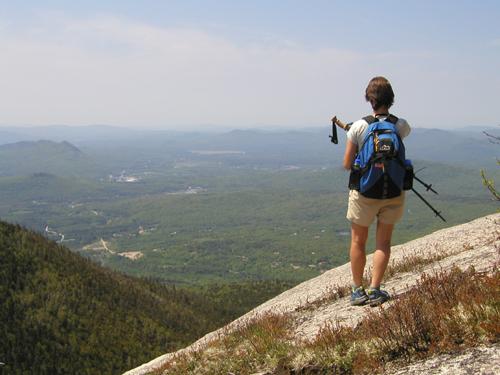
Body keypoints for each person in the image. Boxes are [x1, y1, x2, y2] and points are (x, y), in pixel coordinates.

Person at [343, 76, 411, 306]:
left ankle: (356, 290)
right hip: (392, 192)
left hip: (364, 193)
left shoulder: (360, 126)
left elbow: (346, 163)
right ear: (391, 99)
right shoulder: (400, 125)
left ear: (369, 99)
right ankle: (375, 290)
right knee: (383, 243)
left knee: (358, 242)